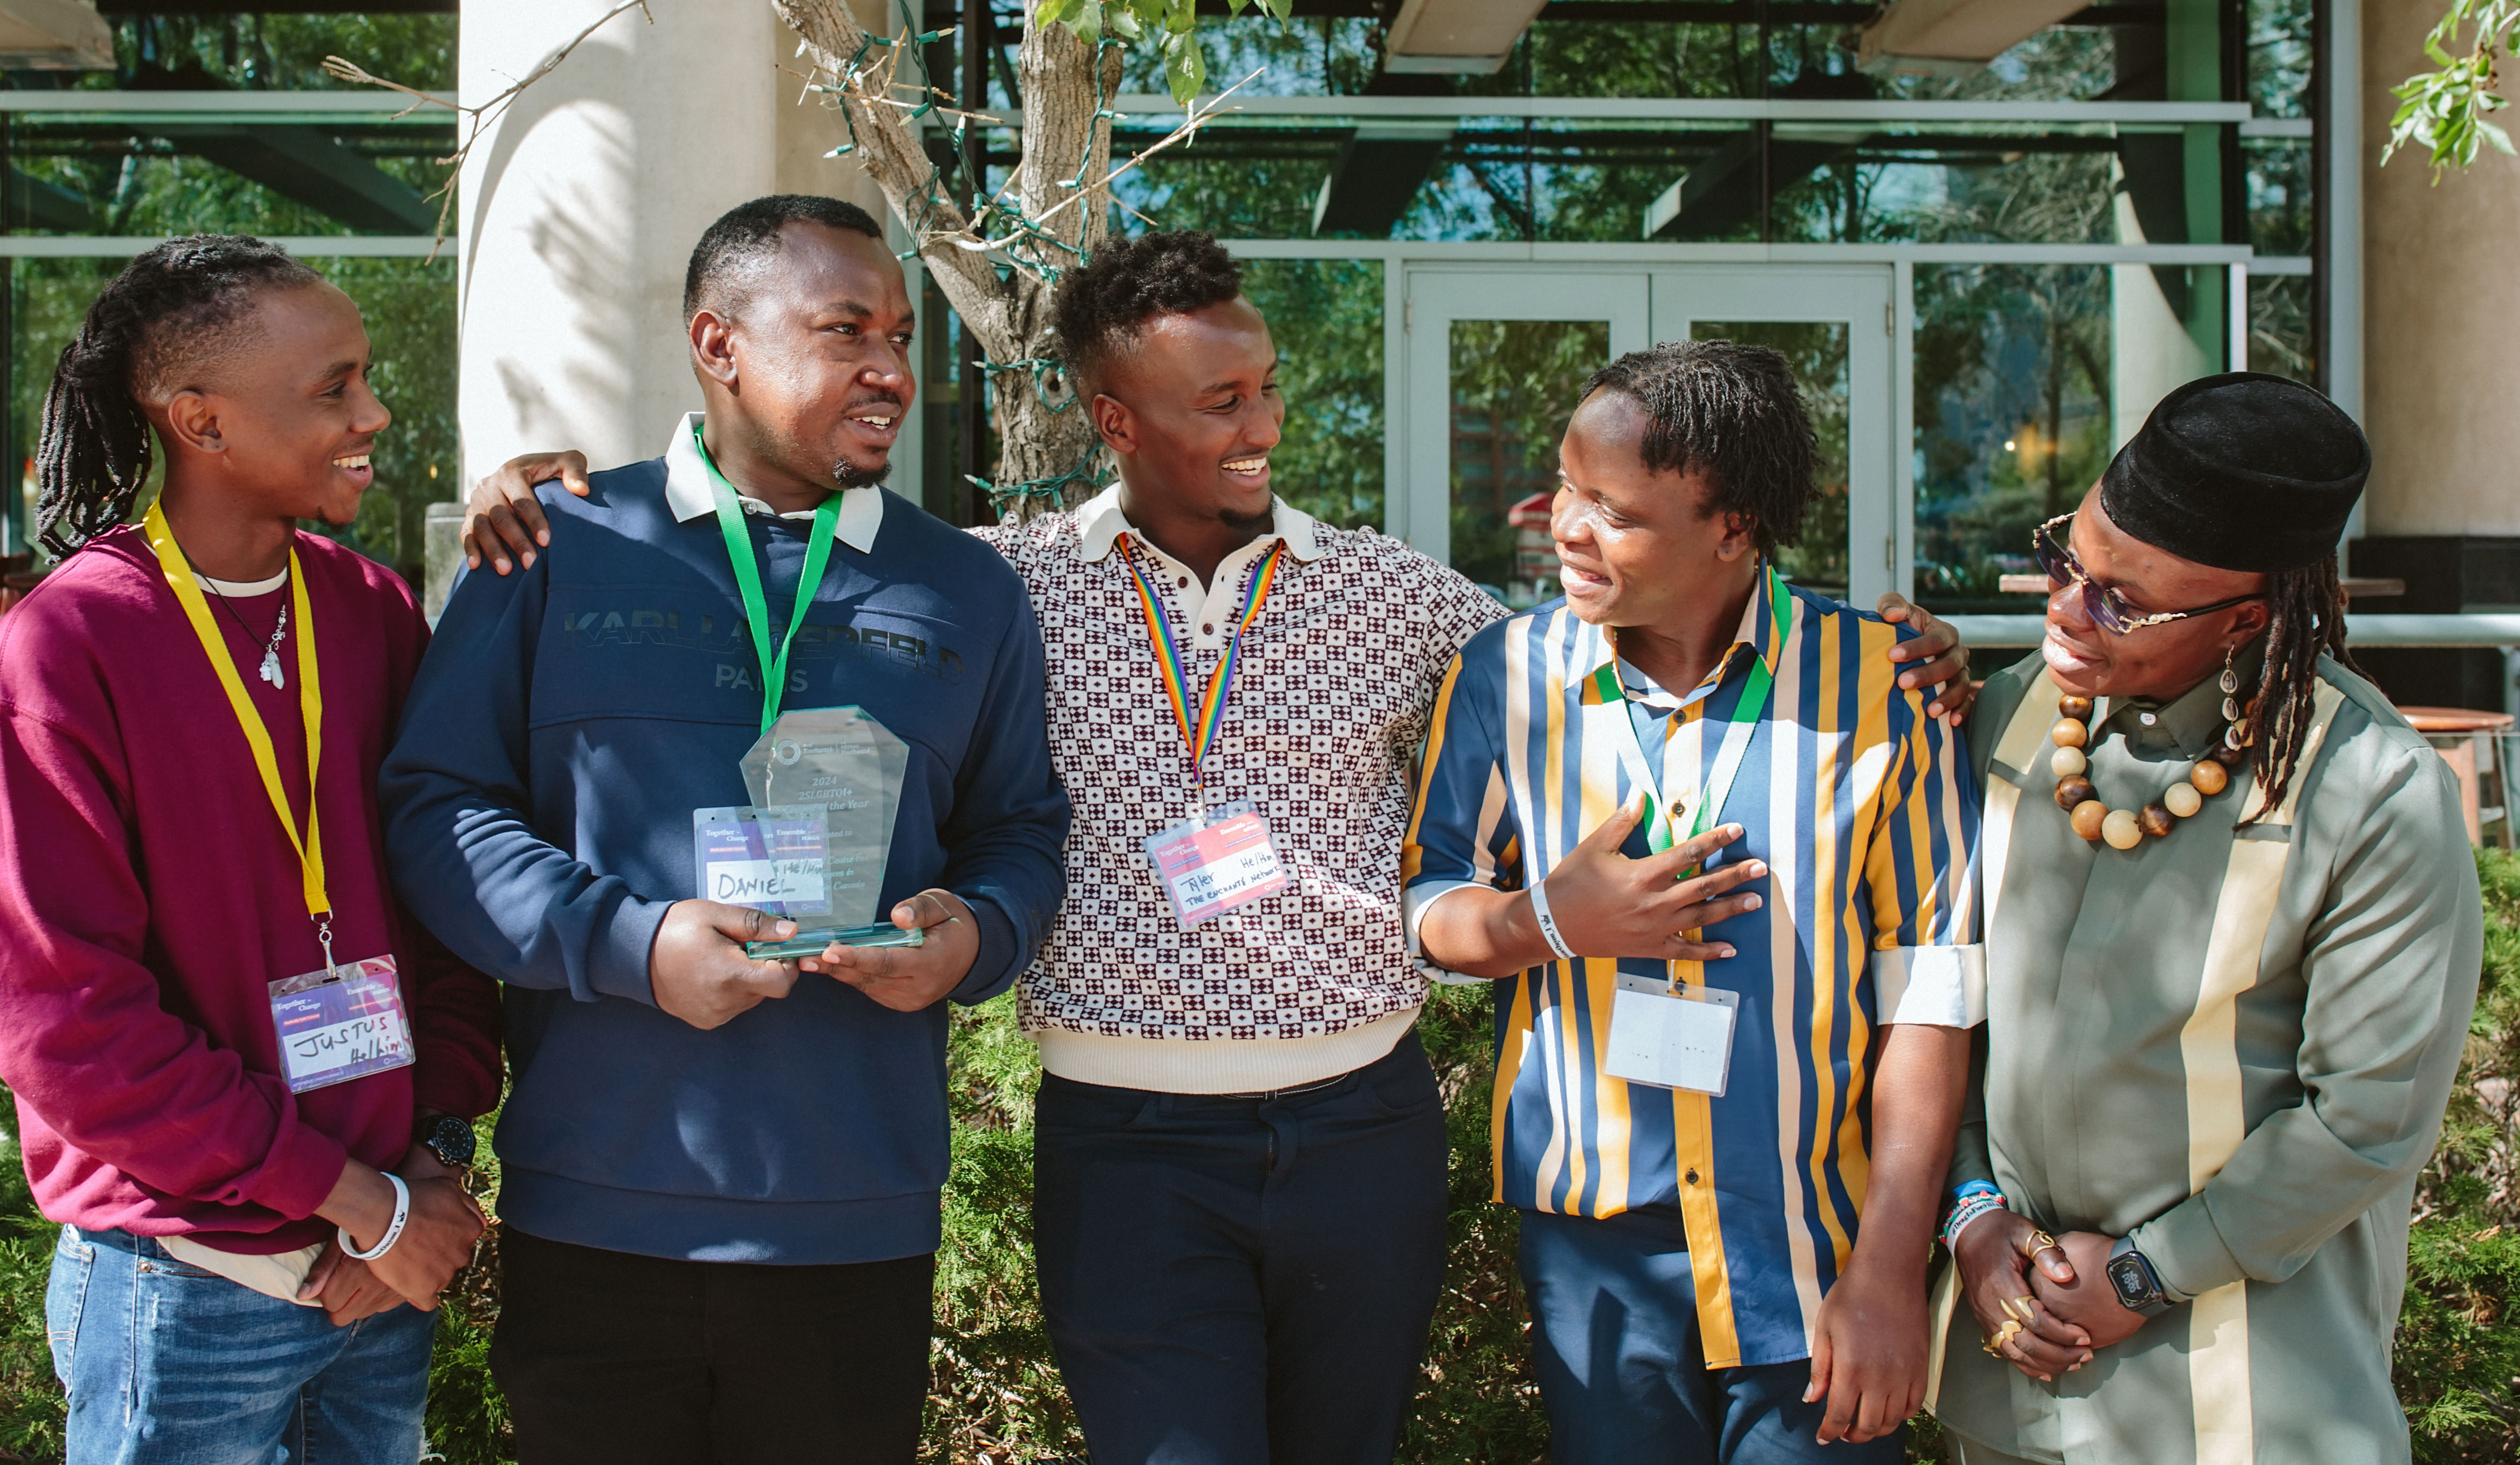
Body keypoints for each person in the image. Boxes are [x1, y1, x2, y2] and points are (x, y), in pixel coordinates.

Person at [459, 232, 1980, 1463]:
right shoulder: (996, 587)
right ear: (1115, 417)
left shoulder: (1403, 598)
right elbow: (782, 578)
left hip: (1361, 1129)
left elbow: (1608, 660)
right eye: (1219, 401)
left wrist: (1900, 650)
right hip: (1124, 1146)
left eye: (1264, 389)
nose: (1261, 425)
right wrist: (551, 495)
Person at [379, 193, 1068, 1465]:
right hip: (596, 1207)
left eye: (902, 335)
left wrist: (972, 935)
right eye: (844, 329)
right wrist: (630, 946)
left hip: (853, 1217)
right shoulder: (555, 545)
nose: (892, 371)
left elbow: (1022, 828)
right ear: (719, 344)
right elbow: (436, 809)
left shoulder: (967, 585)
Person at [0, 235, 500, 1465]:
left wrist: (431, 1156)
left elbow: (437, 894)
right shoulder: (64, 649)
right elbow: (69, 1026)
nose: (374, 412)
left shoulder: (367, 607)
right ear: (199, 419)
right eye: (333, 388)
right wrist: (356, 1202)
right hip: (188, 1283)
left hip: (379, 1264)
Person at [1407, 340, 1983, 1465]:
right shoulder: (1505, 677)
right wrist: (1548, 921)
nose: (1565, 525)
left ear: (1731, 527)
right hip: (1596, 1251)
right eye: (1567, 486)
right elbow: (1426, 901)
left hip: (1820, 1244)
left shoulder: (1885, 688)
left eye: (1610, 508)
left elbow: (1931, 988)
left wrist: (1888, 1270)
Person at [1926, 372, 2482, 1465]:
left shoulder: (2368, 791)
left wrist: (2142, 1272)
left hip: (2245, 1400)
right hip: (2007, 1382)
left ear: (2247, 616)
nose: (2065, 613)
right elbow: (1943, 1004)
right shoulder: (2012, 715)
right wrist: (1972, 1214)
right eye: (2066, 560)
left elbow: (2364, 1116)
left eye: (2121, 601)